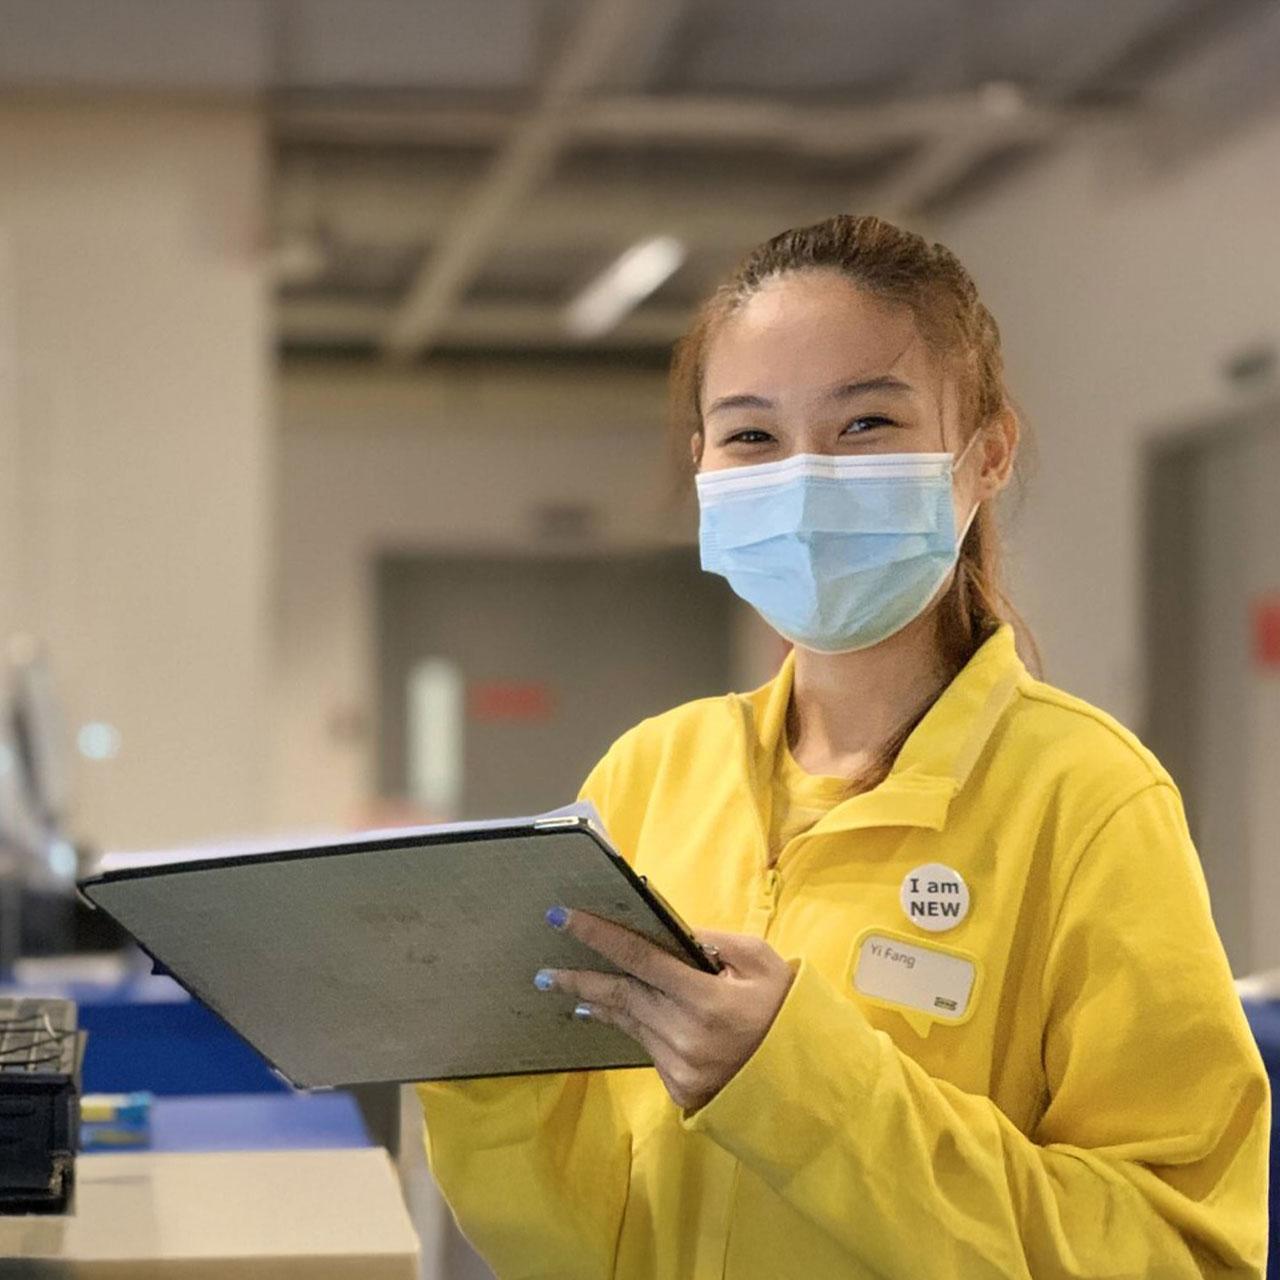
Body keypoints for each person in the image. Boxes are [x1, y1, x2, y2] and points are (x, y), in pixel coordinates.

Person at [417, 215, 1268, 1278]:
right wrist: (468, 1063)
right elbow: (596, 1239)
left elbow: (1178, 1251)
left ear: (986, 453)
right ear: (701, 469)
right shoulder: (649, 773)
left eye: (865, 423)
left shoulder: (1086, 798)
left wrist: (793, 1083)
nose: (804, 478)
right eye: (750, 435)